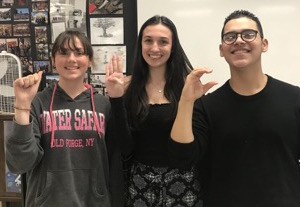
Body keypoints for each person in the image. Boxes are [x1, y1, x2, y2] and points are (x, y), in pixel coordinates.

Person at [170, 9, 300, 207]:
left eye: (248, 34)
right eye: (230, 37)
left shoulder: (294, 98)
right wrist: (186, 101)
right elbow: (182, 158)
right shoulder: (207, 106)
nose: (239, 41)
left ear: (264, 45)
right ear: (221, 49)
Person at [5, 30, 120, 207]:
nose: (71, 59)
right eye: (64, 52)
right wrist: (22, 105)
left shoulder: (104, 105)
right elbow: (19, 164)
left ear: (89, 60)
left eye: (79, 53)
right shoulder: (37, 103)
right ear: (53, 60)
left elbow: (117, 160)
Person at [105, 15, 203, 206]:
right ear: (140, 44)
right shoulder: (127, 86)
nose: (155, 48)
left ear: (173, 46)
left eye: (163, 42)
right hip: (140, 184)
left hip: (183, 183)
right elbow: (126, 148)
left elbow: (194, 149)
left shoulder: (188, 88)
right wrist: (116, 99)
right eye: (148, 40)